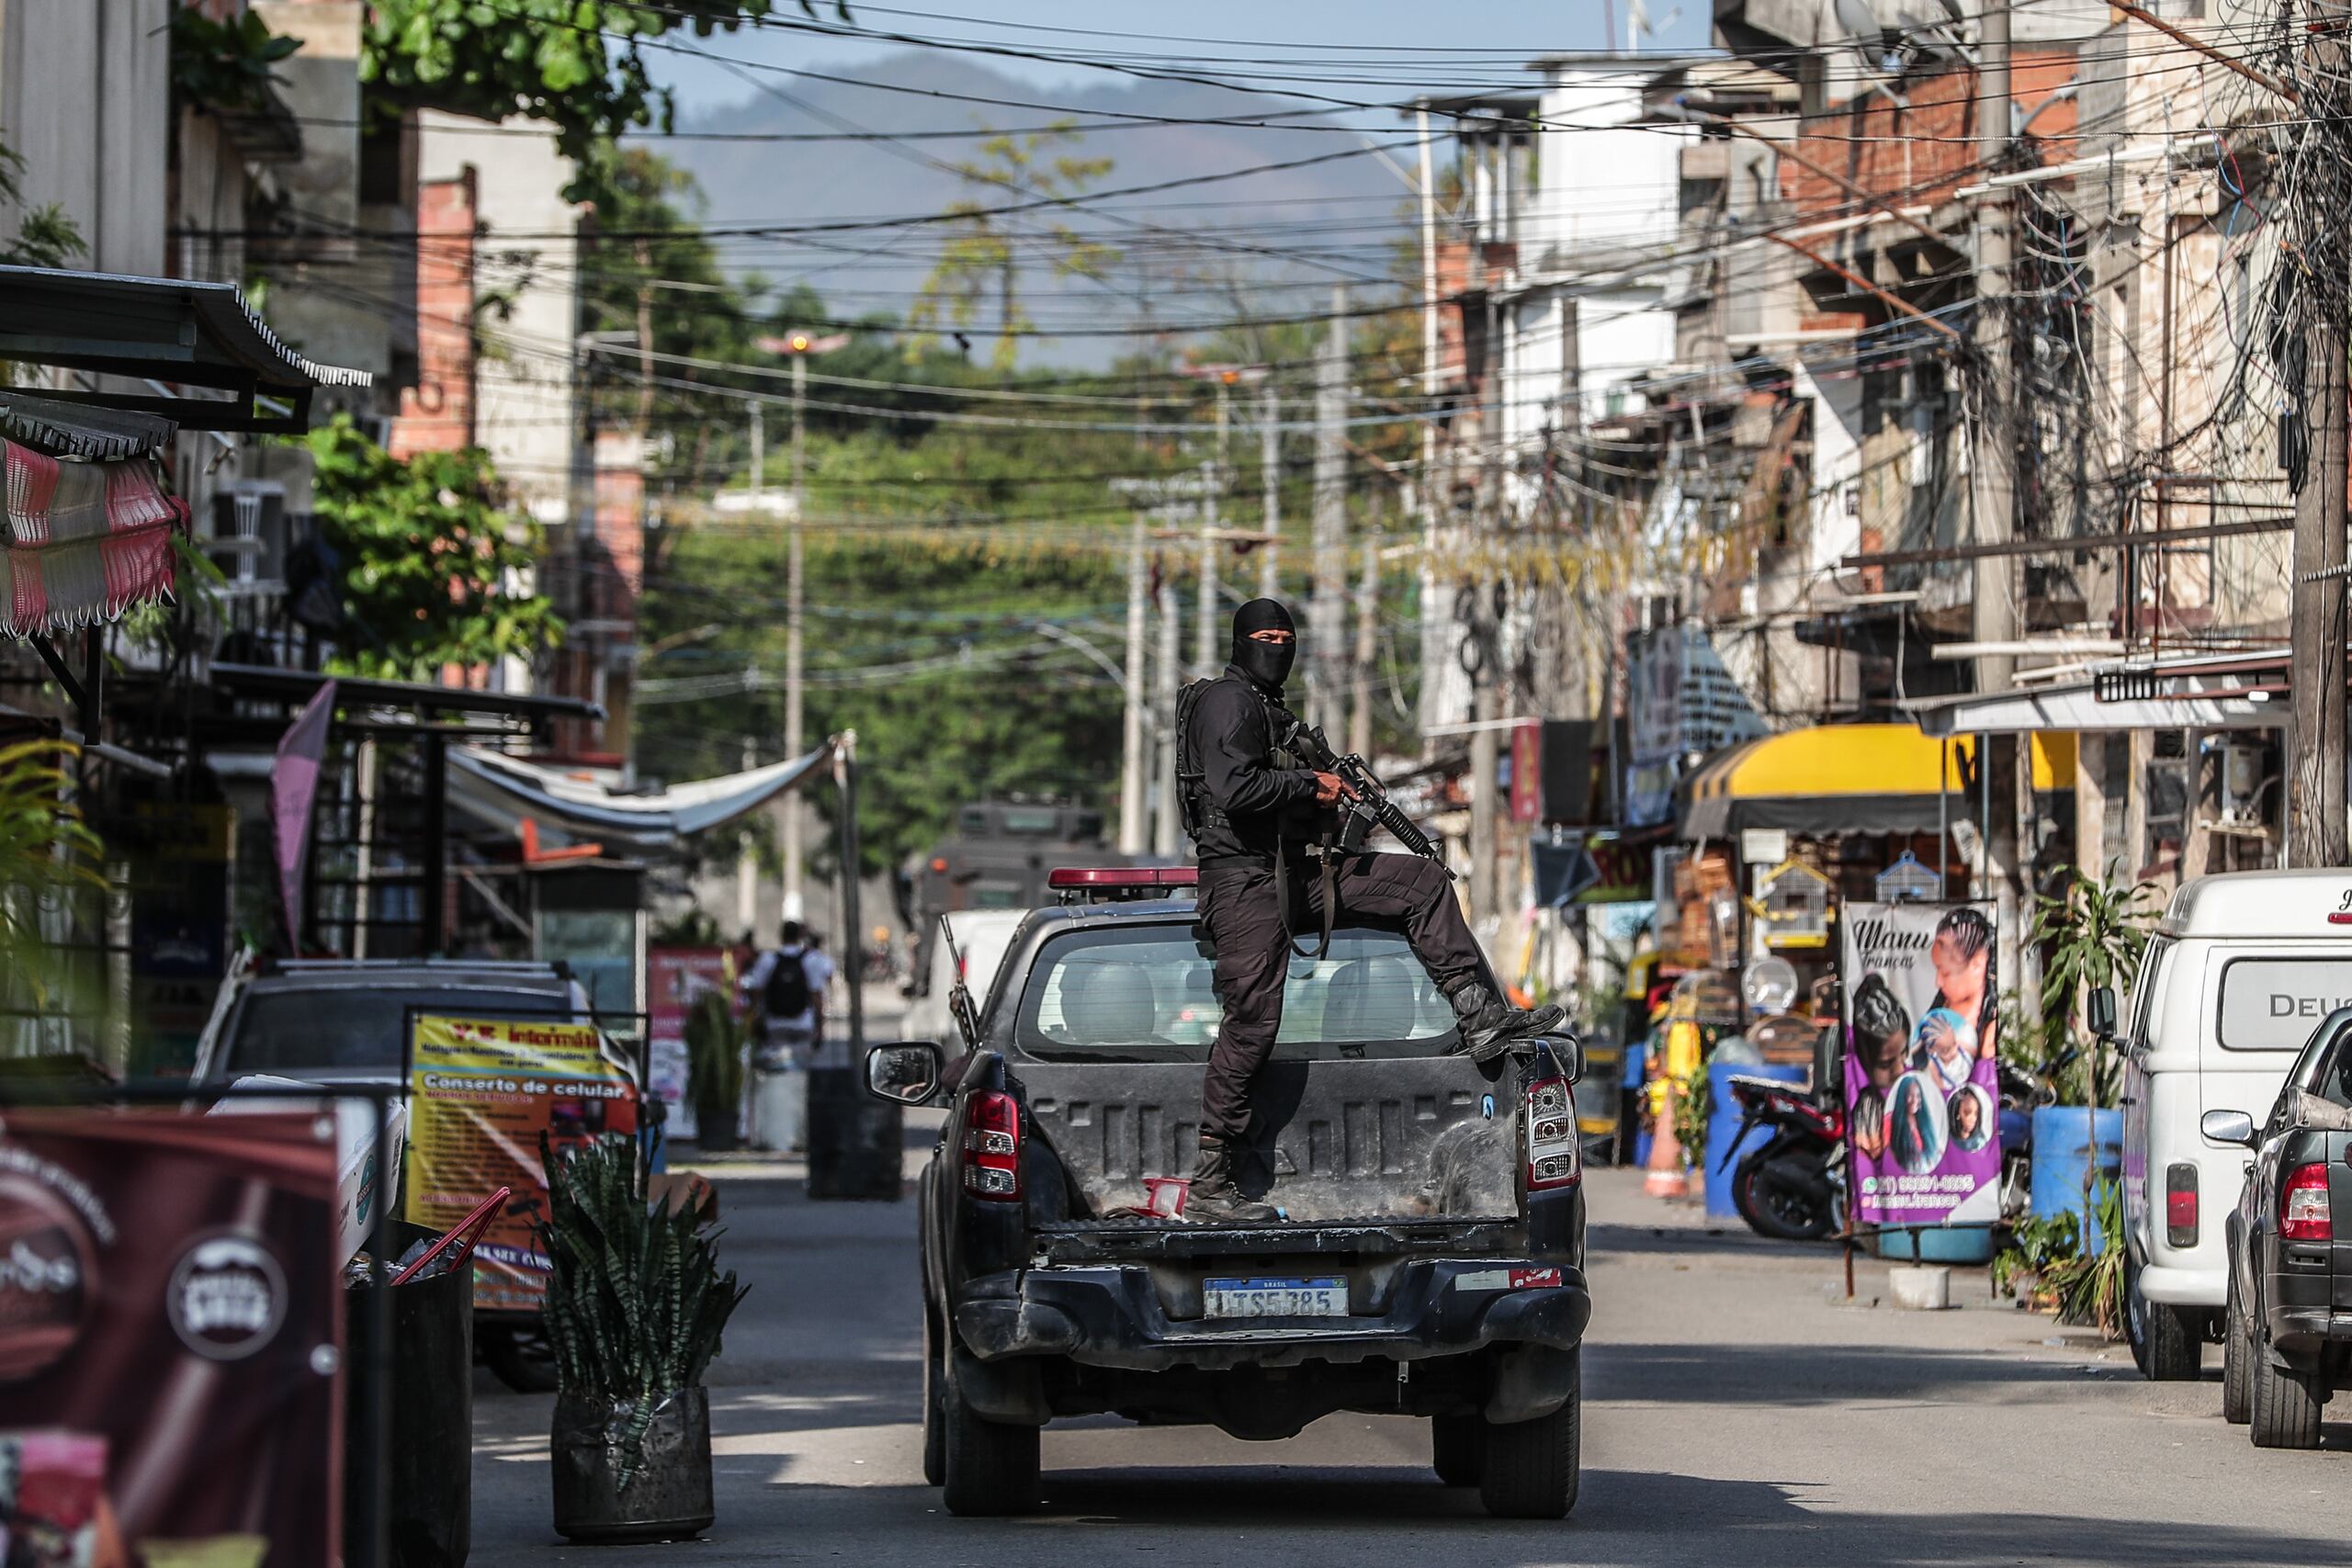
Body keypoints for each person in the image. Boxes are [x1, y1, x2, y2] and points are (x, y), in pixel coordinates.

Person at [1176, 597, 1565, 1222]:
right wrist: (1313, 784)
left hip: (1285, 875)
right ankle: (1209, 1183)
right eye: (1265, 635)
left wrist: (1333, 798)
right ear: (1240, 641)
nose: (1278, 645)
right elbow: (1233, 789)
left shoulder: (1268, 709)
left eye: (1286, 635)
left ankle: (1479, 1014)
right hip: (1242, 884)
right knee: (1253, 1022)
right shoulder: (1229, 701)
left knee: (1420, 882)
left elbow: (1281, 797)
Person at [739, 918, 833, 1058]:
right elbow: (817, 997)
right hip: (803, 1024)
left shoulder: (768, 960)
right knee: (803, 1070)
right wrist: (820, 1028)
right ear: (799, 936)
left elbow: (755, 994)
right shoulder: (810, 960)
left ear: (781, 936)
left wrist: (753, 1023)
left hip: (774, 1026)